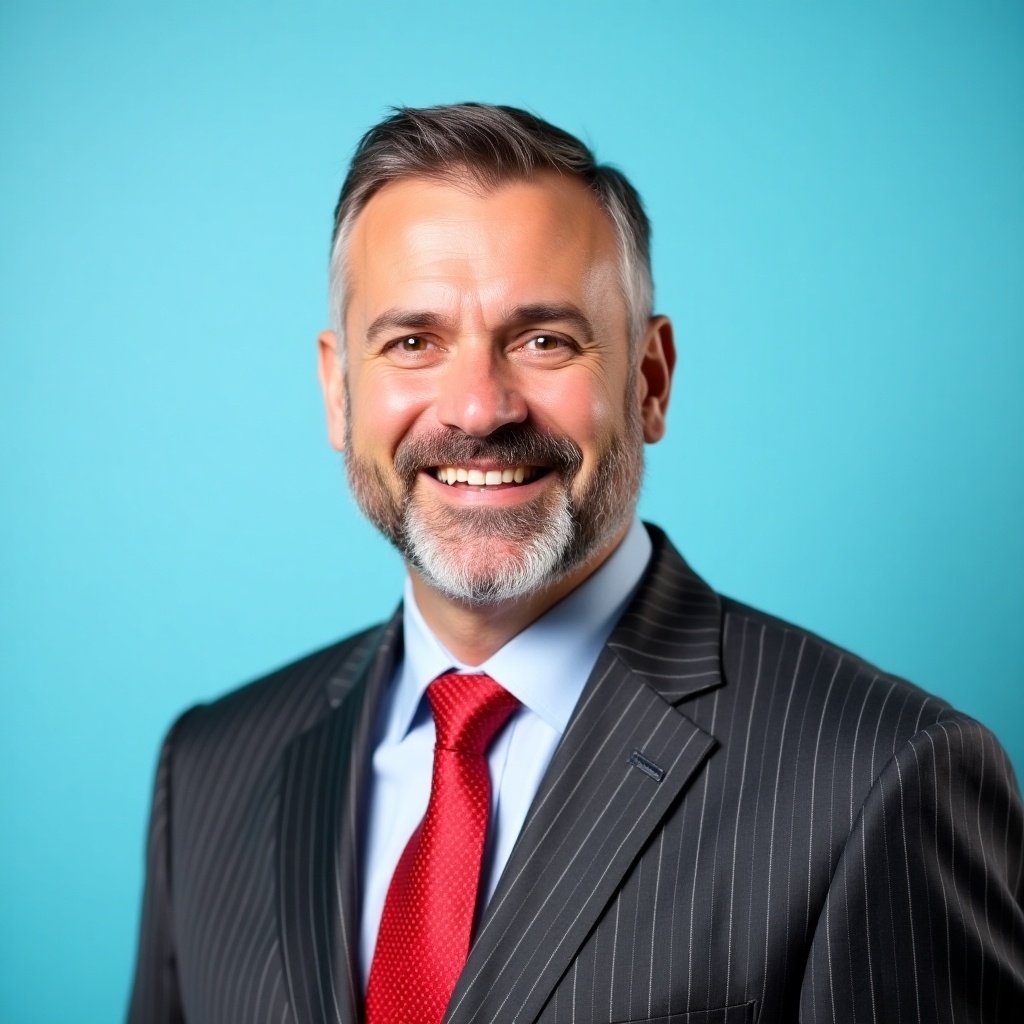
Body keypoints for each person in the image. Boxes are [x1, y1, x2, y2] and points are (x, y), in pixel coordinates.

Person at [127, 103, 1024, 1024]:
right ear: (337, 389)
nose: (478, 408)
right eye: (413, 342)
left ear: (649, 381)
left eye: (544, 340)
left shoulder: (880, 777)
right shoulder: (207, 774)